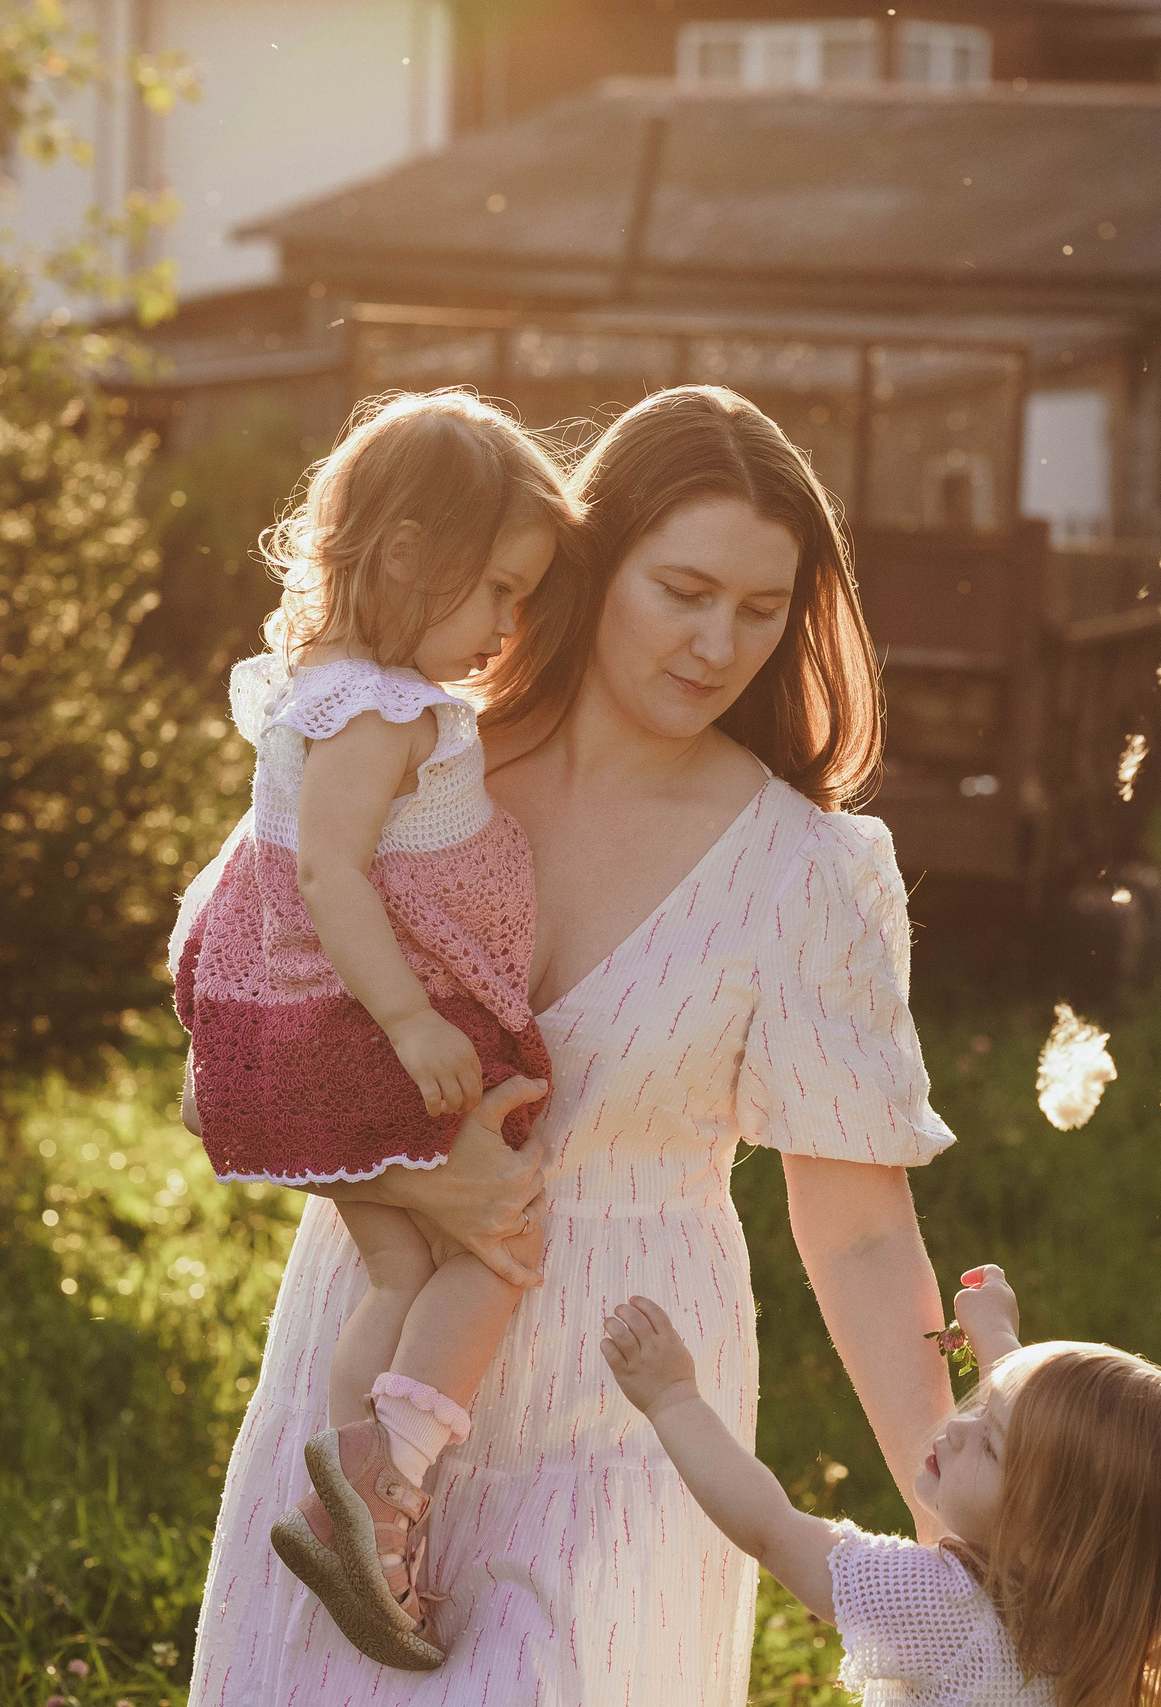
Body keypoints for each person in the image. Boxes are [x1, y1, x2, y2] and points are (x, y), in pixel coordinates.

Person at [185, 385, 958, 1704]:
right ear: (591, 570)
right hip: (359, 1367)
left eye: (761, 610)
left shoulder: (812, 869)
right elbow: (240, 1037)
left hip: (627, 1398)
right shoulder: (404, 750)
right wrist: (407, 1178)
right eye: (684, 589)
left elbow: (865, 1229)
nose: (720, 642)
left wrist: (971, 1534)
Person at [170, 389, 577, 1668]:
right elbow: (330, 875)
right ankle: (379, 1486)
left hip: (308, 1026)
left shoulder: (326, 688)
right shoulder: (380, 709)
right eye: (497, 592)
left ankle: (355, 1513)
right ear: (406, 555)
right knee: (489, 1243)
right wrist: (406, 1020)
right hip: (349, 1030)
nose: (508, 627)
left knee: (400, 1271)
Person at [603, 1265, 1161, 1707]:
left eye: (989, 1440)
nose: (956, 1426)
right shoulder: (1096, 1630)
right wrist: (998, 1337)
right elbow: (1051, 1459)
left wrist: (673, 1400)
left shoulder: (942, 1607)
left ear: (1054, 1536)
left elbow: (771, 1528)